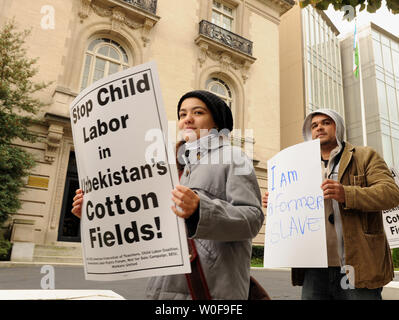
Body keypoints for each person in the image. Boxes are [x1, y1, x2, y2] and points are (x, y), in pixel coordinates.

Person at [72, 90, 264, 300]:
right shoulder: (167, 166)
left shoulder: (234, 157)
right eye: (182, 114)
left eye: (198, 112)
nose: (187, 119)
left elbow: (252, 218)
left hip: (211, 288)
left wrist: (201, 209)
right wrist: (98, 215)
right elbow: (144, 221)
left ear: (217, 123)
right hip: (162, 287)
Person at [263, 109, 399, 300]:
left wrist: (347, 194)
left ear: (338, 127)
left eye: (326, 122)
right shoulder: (297, 165)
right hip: (314, 267)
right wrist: (278, 201)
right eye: (314, 125)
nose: (319, 127)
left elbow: (391, 194)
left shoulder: (365, 156)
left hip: (358, 264)